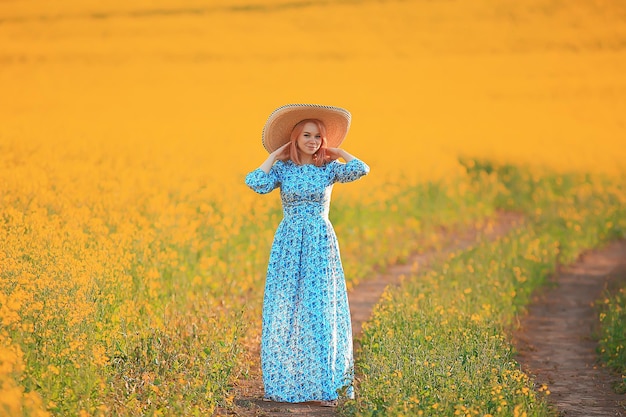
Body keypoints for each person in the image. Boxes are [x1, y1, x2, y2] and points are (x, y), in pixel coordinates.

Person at [245, 103, 369, 407]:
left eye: (318, 136)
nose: (313, 141)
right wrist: (274, 156)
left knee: (321, 307)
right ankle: (286, 380)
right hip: (288, 243)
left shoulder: (328, 169)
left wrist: (339, 153)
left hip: (320, 241)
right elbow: (255, 183)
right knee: (286, 306)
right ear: (296, 137)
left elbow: (361, 169)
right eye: (307, 135)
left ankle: (325, 383)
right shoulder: (283, 169)